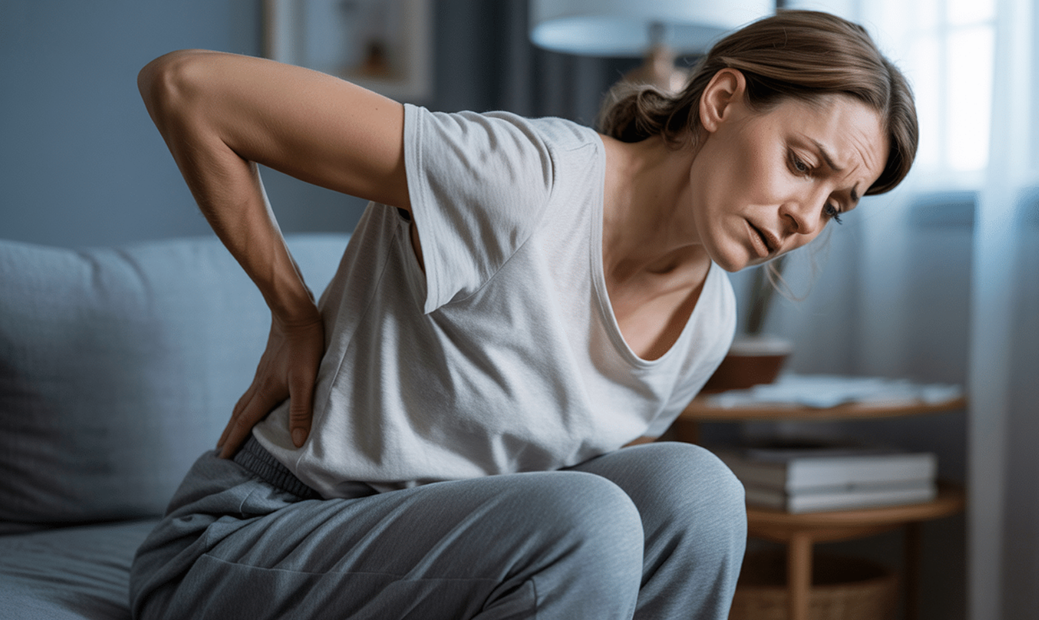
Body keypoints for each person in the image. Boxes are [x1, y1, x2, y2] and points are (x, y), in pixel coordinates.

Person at [129, 9, 916, 620]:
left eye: (836, 205)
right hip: (253, 541)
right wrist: (293, 311)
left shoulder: (707, 319)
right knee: (590, 516)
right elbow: (187, 86)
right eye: (802, 165)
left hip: (431, 570)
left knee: (699, 490)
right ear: (721, 100)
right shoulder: (525, 179)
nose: (805, 218)